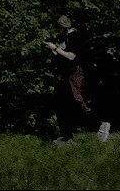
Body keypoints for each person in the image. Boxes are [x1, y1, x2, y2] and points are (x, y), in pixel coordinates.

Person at [44, 14, 111, 143]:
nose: (57, 31)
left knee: (77, 102)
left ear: (62, 27)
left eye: (58, 28)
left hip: (74, 74)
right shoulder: (66, 37)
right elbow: (63, 55)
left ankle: (100, 124)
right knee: (60, 103)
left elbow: (71, 57)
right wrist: (53, 51)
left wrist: (55, 48)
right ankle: (66, 136)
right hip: (64, 75)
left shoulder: (74, 36)